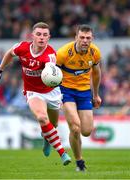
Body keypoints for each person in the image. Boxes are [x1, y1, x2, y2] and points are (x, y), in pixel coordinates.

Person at [0, 22, 71, 166]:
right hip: (33, 91)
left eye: (45, 35)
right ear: (32, 36)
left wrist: (50, 71)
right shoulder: (22, 47)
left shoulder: (50, 55)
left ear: (49, 37)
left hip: (51, 91)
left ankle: (47, 138)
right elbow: (9, 53)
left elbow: (50, 68)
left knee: (52, 124)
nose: (41, 38)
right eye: (39, 34)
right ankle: (62, 153)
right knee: (42, 117)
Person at [56, 24, 102, 171]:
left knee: (87, 131)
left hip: (84, 93)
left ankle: (73, 136)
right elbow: (52, 75)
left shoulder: (95, 52)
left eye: (88, 38)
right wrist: (55, 96)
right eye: (81, 37)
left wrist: (95, 95)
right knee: (75, 128)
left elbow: (96, 73)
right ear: (76, 37)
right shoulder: (63, 53)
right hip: (66, 91)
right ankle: (79, 162)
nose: (85, 40)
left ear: (92, 39)